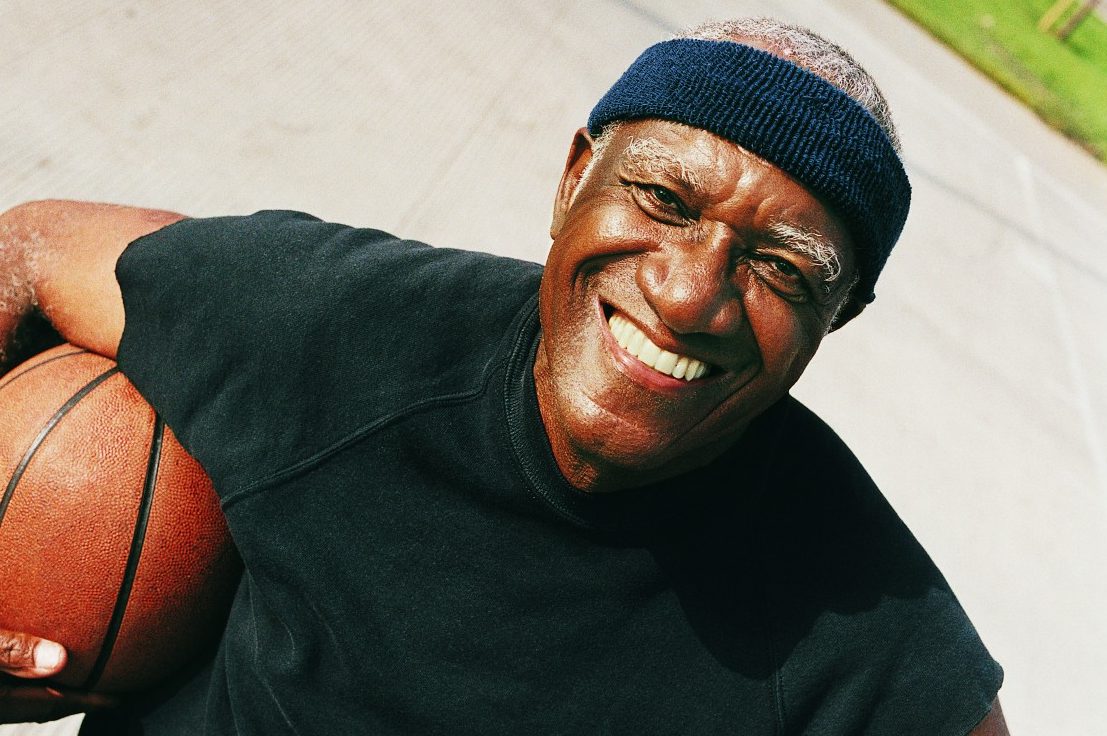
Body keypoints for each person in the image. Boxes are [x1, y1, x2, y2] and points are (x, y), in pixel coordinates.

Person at [0, 18, 1008, 736]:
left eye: (782, 267)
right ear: (576, 177)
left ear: (842, 316)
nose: (693, 294)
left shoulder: (863, 636)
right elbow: (34, 249)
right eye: (662, 198)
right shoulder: (343, 329)